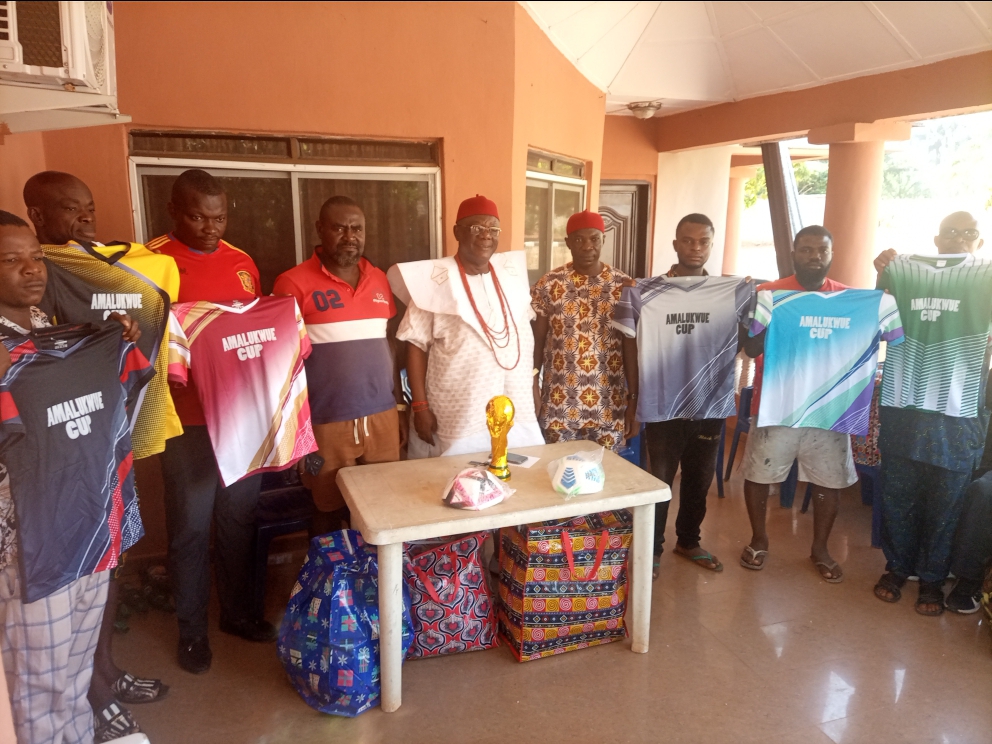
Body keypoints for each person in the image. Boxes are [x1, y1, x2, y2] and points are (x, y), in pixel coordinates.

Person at [23, 171, 174, 740]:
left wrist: (120, 340)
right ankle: (88, 691)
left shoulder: (94, 270)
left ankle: (104, 669)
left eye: (88, 208)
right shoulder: (44, 288)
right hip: (52, 475)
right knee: (68, 584)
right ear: (38, 216)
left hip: (103, 446)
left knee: (108, 566)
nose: (86, 219)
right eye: (70, 210)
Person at [0, 210, 143, 744]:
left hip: (84, 520)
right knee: (37, 679)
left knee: (74, 669)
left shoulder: (48, 327)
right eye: (11, 260)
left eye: (35, 257)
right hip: (27, 543)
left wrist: (113, 343)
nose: (31, 270)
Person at [147, 169, 274, 674]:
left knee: (238, 520)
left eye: (218, 217)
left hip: (240, 418)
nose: (208, 227)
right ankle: (192, 633)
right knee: (190, 531)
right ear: (175, 211)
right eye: (198, 216)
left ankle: (239, 615)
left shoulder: (242, 263)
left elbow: (256, 334)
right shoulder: (151, 261)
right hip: (186, 423)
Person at [614, 214, 755, 577]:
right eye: (688, 241)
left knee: (700, 477)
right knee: (660, 480)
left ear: (711, 244)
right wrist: (634, 394)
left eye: (703, 241)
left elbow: (748, 340)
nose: (696, 248)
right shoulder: (643, 291)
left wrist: (755, 294)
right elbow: (628, 342)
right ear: (675, 244)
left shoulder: (732, 292)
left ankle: (688, 541)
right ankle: (653, 549)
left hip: (710, 400)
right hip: (663, 402)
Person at [872, 211, 990, 615]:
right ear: (936, 241)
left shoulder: (986, 277)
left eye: (969, 233)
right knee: (897, 497)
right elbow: (878, 320)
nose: (960, 239)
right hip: (904, 409)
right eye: (951, 232)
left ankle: (933, 581)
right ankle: (898, 569)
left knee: (946, 506)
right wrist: (884, 276)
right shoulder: (901, 272)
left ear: (979, 244)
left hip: (959, 419)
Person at [272, 196, 406, 530]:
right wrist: (296, 429)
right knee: (324, 506)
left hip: (382, 418)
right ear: (320, 229)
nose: (350, 236)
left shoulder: (379, 280)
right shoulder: (291, 283)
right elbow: (281, 363)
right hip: (322, 424)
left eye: (357, 229)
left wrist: (398, 405)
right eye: (339, 228)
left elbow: (386, 342)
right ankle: (327, 580)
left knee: (384, 505)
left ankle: (376, 579)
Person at [739, 226, 854, 582]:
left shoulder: (848, 301)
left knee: (828, 481)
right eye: (806, 250)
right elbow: (751, 349)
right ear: (794, 253)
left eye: (822, 250)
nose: (814, 256)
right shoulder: (768, 294)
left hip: (829, 409)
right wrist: (760, 317)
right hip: (776, 404)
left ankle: (820, 548)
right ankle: (759, 539)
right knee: (759, 474)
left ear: (831, 255)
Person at [388, 195, 544, 457]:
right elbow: (415, 346)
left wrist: (533, 384)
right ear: (457, 231)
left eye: (493, 229)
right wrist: (420, 406)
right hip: (457, 408)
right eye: (476, 228)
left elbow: (524, 340)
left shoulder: (511, 279)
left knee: (518, 474)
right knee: (459, 481)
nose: (486, 235)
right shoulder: (434, 283)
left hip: (516, 401)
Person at [531, 210, 633, 452]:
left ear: (603, 240)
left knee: (605, 478)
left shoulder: (623, 285)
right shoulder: (549, 284)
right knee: (556, 473)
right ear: (567, 242)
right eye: (579, 239)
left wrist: (635, 400)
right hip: (559, 403)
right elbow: (536, 341)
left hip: (609, 404)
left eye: (594, 239)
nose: (587, 246)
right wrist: (532, 384)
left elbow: (632, 347)